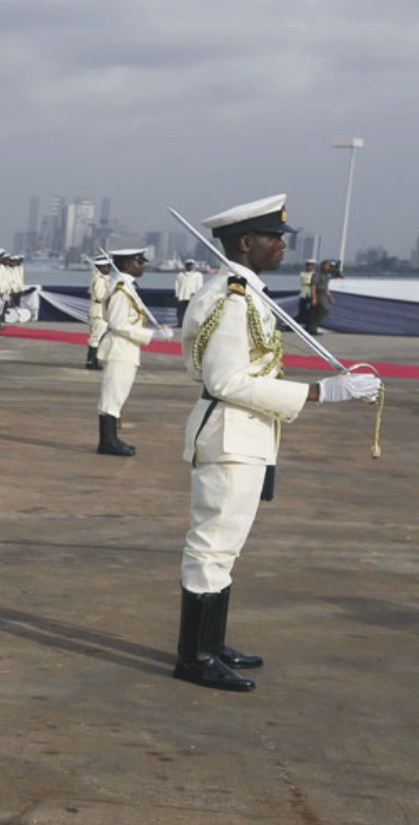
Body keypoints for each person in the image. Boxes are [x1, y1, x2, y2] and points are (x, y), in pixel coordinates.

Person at [173, 195, 381, 692]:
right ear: (247, 243)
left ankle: (212, 643)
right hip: (230, 435)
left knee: (228, 548)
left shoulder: (248, 294)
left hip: (249, 434)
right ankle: (194, 657)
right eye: (275, 238)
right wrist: (319, 391)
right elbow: (226, 380)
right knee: (211, 547)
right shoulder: (232, 298)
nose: (283, 247)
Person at [95, 248, 174, 456]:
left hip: (126, 349)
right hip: (120, 348)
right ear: (127, 265)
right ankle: (107, 441)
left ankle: (111, 438)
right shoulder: (121, 289)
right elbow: (118, 323)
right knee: (112, 396)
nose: (143, 266)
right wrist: (152, 335)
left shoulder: (126, 287)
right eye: (139, 262)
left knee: (118, 395)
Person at [84, 256, 110, 369]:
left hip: (100, 310)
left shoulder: (102, 278)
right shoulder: (99, 280)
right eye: (107, 266)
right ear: (101, 267)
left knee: (98, 337)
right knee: (96, 337)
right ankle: (91, 362)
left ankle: (94, 361)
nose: (109, 269)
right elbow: (100, 296)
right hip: (99, 311)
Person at [305, 259, 336, 335]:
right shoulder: (317, 274)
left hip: (323, 294)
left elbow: (325, 288)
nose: (329, 267)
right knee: (325, 310)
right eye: (328, 266)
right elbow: (313, 286)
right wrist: (314, 298)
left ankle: (313, 328)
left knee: (319, 312)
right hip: (318, 294)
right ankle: (313, 327)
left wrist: (330, 297)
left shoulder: (327, 275)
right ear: (323, 266)